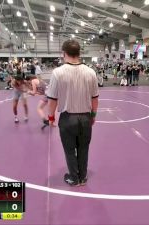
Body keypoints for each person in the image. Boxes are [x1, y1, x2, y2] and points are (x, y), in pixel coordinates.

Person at [46, 40, 99, 186]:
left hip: (68, 119)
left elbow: (52, 100)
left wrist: (51, 117)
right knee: (84, 149)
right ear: (79, 53)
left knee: (70, 150)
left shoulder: (58, 73)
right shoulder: (91, 72)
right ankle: (83, 177)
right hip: (85, 118)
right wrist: (93, 116)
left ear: (64, 53)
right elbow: (95, 99)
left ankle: (74, 178)